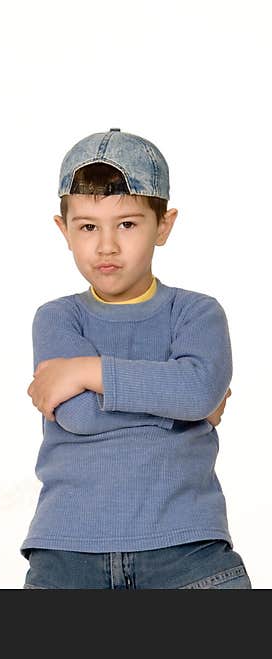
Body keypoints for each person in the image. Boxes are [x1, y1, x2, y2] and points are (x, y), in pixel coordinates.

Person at [22, 128, 250, 589]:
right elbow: (80, 414)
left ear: (163, 226)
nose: (106, 245)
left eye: (127, 224)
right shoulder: (57, 318)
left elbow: (198, 390)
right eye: (88, 226)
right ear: (63, 230)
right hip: (69, 554)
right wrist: (184, 406)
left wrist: (89, 370)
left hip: (187, 550)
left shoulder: (196, 312)